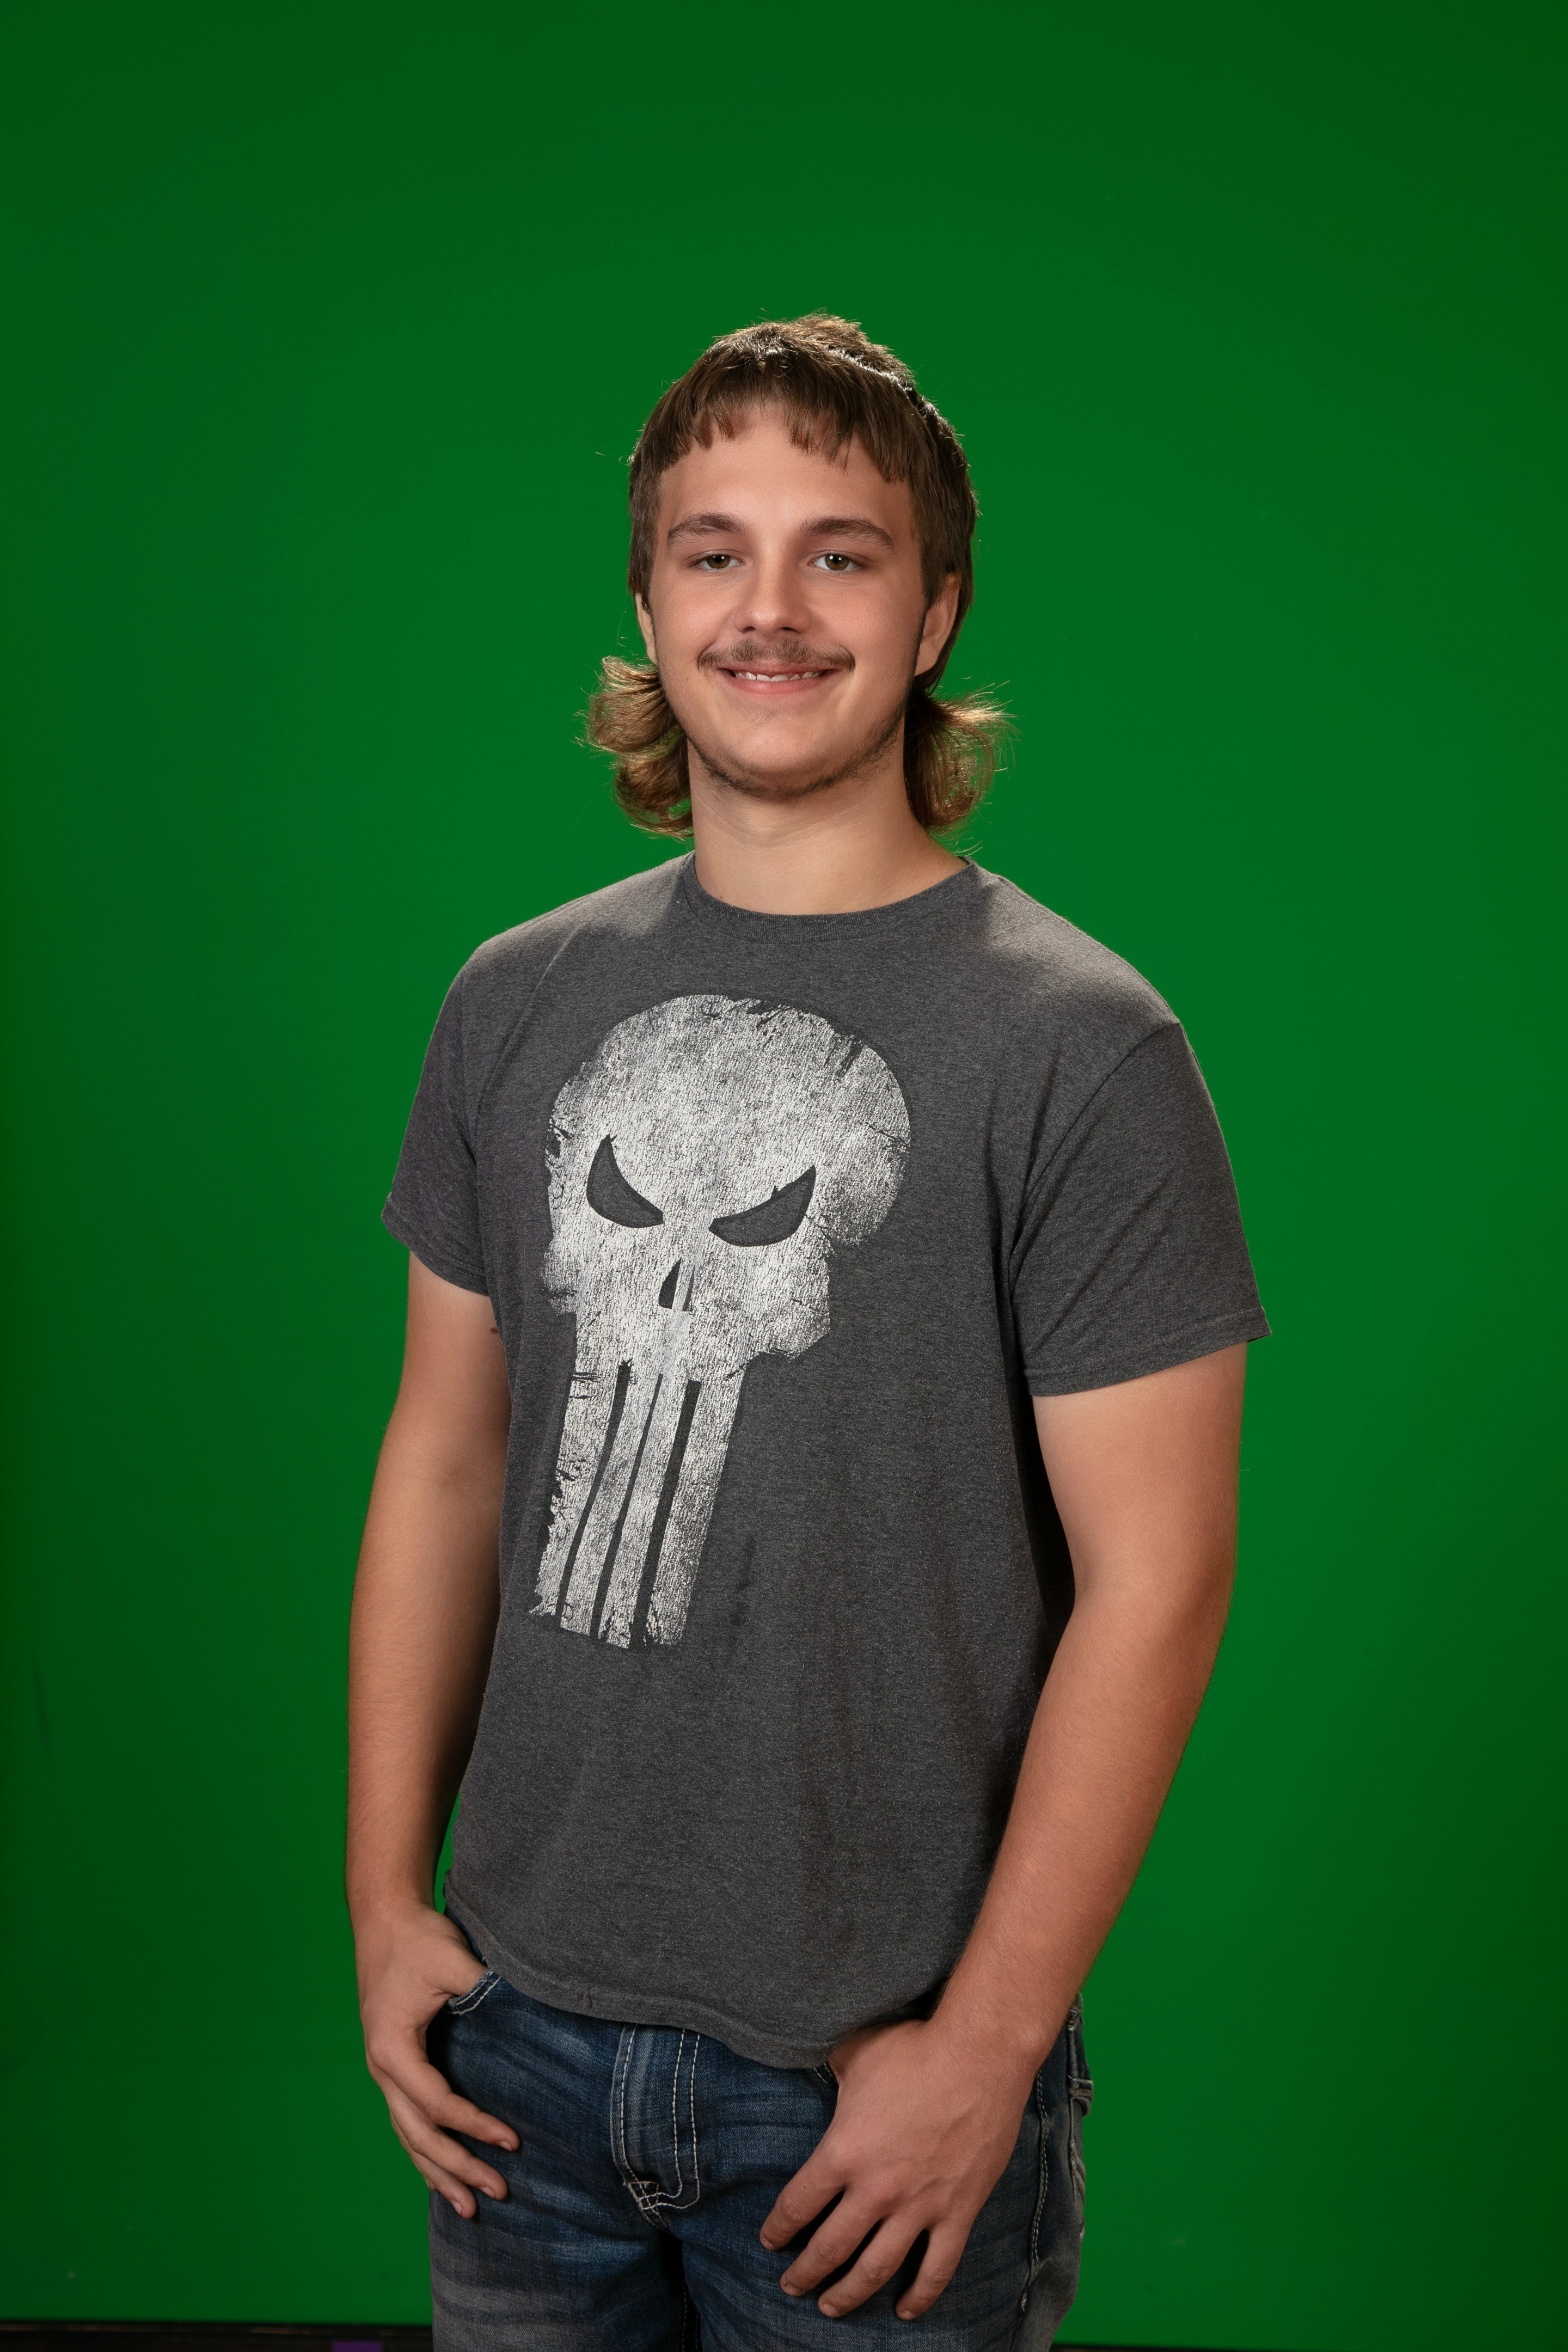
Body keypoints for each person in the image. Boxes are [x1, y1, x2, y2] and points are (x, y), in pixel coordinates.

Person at [347, 314, 1269, 2350]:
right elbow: (446, 1455)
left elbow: (1160, 1579)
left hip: (872, 2079)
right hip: (516, 2045)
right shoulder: (511, 1001)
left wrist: (987, 2047)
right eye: (715, 551)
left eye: (839, 555)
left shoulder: (1082, 1046)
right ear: (649, 605)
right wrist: (384, 1907)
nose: (769, 608)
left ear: (933, 615)